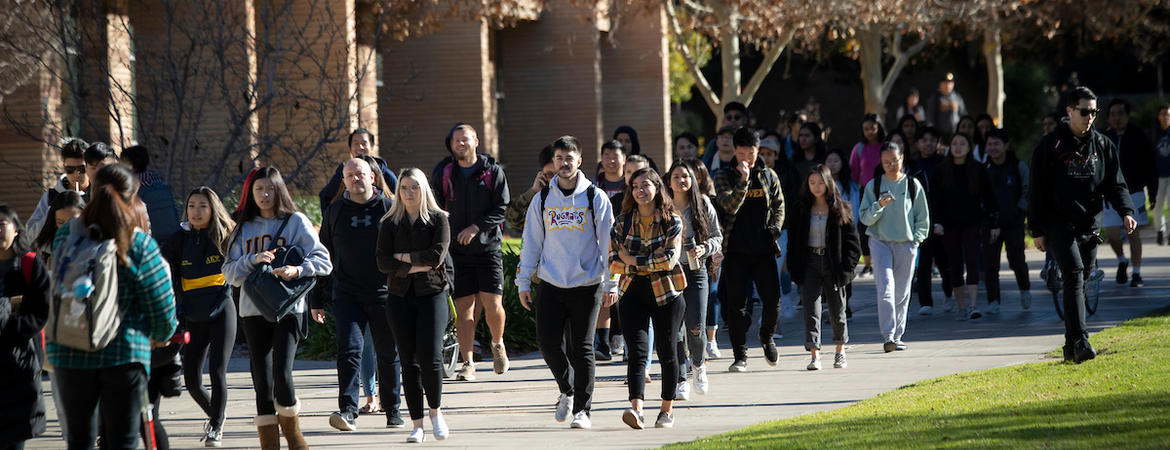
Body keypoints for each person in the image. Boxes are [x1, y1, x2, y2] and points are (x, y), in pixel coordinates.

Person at [47, 164, 177, 449]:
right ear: (132, 199)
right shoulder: (138, 243)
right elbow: (161, 306)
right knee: (123, 440)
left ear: (92, 193)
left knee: (80, 440)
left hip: (70, 349)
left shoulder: (66, 235)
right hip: (124, 353)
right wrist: (159, 335)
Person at [223, 166, 332, 449]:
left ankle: (295, 439)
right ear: (251, 193)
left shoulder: (295, 222)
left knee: (282, 375)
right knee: (262, 382)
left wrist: (297, 270)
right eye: (258, 189)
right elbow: (229, 274)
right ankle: (269, 445)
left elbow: (324, 261)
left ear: (278, 190)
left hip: (289, 310)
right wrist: (252, 260)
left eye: (270, 188)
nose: (264, 194)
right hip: (252, 310)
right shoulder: (242, 228)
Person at [517, 136, 618, 429]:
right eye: (559, 158)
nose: (564, 163)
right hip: (550, 282)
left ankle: (582, 410)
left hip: (587, 284)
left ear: (579, 161)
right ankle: (567, 388)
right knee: (547, 344)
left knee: (582, 348)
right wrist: (524, 281)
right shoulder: (543, 199)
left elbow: (607, 244)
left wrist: (611, 282)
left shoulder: (594, 197)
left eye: (569, 158)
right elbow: (531, 243)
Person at [1029, 86, 1136, 363]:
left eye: (1094, 112)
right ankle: (1081, 341)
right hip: (1058, 223)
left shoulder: (1102, 145)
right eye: (1084, 111)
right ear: (1069, 111)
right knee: (1074, 274)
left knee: (1083, 279)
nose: (1090, 116)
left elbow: (1116, 183)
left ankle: (1069, 346)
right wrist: (1037, 230)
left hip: (1089, 223)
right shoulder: (1050, 145)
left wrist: (1126, 211)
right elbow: (1036, 190)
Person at [310, 158, 405, 431]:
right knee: (349, 351)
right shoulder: (335, 211)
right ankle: (348, 410)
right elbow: (324, 256)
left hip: (385, 293)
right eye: (349, 175)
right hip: (347, 294)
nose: (355, 179)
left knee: (388, 353)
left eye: (360, 174)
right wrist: (317, 299)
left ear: (372, 177)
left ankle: (393, 409)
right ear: (343, 180)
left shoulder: (388, 208)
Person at [377, 168, 453, 443]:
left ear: (424, 190)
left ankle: (436, 413)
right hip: (399, 298)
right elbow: (382, 261)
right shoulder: (389, 222)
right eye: (404, 187)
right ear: (398, 192)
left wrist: (403, 259)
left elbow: (436, 256)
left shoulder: (438, 219)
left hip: (432, 294)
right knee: (408, 363)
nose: (409, 192)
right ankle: (417, 424)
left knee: (431, 359)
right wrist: (414, 265)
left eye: (414, 187)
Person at [431, 123, 511, 381]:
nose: (461, 144)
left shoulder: (492, 172)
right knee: (464, 308)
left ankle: (497, 344)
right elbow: (433, 203)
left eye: (466, 139)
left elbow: (501, 207)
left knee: (492, 304)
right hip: (456, 251)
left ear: (476, 141)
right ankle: (468, 363)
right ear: (451, 144)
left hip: (487, 248)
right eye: (456, 140)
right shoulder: (444, 171)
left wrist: (475, 228)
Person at [610, 167, 687, 429]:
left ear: (657, 187)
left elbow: (670, 260)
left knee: (667, 352)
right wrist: (638, 264)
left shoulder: (671, 220)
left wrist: (631, 260)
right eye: (635, 186)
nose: (640, 191)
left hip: (667, 293)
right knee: (637, 354)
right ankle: (637, 410)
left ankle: (666, 410)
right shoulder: (622, 222)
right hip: (632, 292)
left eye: (646, 185)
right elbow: (613, 263)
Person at [163, 187, 236, 447]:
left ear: (213, 208)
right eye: (192, 205)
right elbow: (168, 278)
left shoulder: (227, 236)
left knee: (217, 371)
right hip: (192, 315)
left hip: (222, 310)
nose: (196, 211)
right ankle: (218, 414)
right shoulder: (178, 240)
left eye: (202, 206)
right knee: (192, 381)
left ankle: (215, 426)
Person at [713, 127, 785, 372]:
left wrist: (773, 229)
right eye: (741, 153)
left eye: (751, 153)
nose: (746, 158)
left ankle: (766, 337)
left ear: (758, 150)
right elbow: (729, 206)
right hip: (735, 250)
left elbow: (779, 206)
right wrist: (743, 180)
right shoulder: (723, 176)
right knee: (736, 306)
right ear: (734, 151)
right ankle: (740, 354)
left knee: (773, 300)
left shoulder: (769, 175)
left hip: (763, 249)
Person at [787, 165, 861, 370]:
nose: (816, 187)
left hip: (833, 264)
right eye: (812, 183)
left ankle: (840, 351)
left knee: (838, 309)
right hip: (809, 261)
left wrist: (847, 269)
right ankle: (814, 354)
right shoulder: (801, 208)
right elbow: (793, 241)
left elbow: (853, 244)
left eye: (820, 182)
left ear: (829, 184)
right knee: (811, 309)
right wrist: (794, 266)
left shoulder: (841, 208)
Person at [860, 142, 930, 352]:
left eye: (894, 160)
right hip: (880, 242)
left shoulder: (912, 185)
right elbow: (865, 219)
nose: (890, 165)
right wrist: (878, 206)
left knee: (902, 292)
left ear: (902, 159)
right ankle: (888, 336)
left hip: (906, 244)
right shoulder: (874, 185)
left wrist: (916, 240)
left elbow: (922, 217)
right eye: (885, 162)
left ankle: (898, 335)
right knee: (885, 290)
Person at [665, 161, 722, 399]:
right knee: (675, 330)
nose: (681, 180)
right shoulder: (663, 207)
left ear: (693, 180)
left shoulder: (703, 204)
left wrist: (704, 248)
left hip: (697, 271)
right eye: (676, 176)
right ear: (669, 181)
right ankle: (680, 379)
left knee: (696, 328)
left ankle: (698, 364)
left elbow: (718, 237)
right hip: (669, 273)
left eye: (685, 176)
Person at [930, 133, 999, 320]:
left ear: (970, 147)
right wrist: (936, 223)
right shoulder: (940, 171)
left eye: (962, 144)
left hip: (973, 223)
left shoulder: (978, 169)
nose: (958, 147)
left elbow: (989, 198)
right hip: (949, 225)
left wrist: (994, 223)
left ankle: (973, 305)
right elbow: (935, 200)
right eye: (954, 143)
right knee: (954, 265)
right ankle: (961, 306)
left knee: (972, 261)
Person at [0, 206, 50, 448]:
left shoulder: (29, 264)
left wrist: (13, 328)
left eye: (2, 224)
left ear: (16, 230)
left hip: (21, 361)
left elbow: (42, 311)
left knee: (15, 435)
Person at [1103, 99, 1157, 287]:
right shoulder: (1103, 137)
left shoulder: (1138, 135)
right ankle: (1121, 260)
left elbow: (1150, 165)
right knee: (1112, 235)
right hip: (1110, 196)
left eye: (1120, 113)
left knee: (1133, 234)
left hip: (1134, 192)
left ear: (1127, 115)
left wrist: (1153, 192)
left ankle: (1136, 273)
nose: (1116, 118)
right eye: (1113, 114)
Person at [982, 128, 1033, 313]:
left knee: (1017, 259)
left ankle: (1025, 290)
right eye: (989, 144)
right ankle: (993, 300)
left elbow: (1027, 190)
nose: (993, 148)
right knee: (990, 263)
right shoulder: (983, 169)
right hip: (990, 224)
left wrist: (1019, 210)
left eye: (996, 144)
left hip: (1014, 222)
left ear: (1006, 145)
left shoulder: (1018, 167)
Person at [906, 126, 953, 314]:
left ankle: (949, 294)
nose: (928, 144)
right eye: (924, 140)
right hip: (921, 221)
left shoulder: (944, 163)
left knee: (945, 262)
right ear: (917, 143)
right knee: (924, 263)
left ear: (938, 143)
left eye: (932, 140)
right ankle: (926, 302)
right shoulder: (914, 166)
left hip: (943, 220)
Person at [319, 128, 399, 212]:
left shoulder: (386, 174)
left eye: (364, 143)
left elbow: (398, 199)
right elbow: (325, 196)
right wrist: (329, 220)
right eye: (356, 144)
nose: (360, 147)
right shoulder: (343, 173)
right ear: (350, 148)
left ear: (372, 146)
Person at [25, 138, 90, 235]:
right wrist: (53, 211)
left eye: (81, 169)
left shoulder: (99, 194)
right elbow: (30, 233)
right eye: (70, 169)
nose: (76, 174)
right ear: (64, 169)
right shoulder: (52, 196)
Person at [850, 114, 886, 276]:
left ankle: (884, 261)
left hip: (885, 190)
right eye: (866, 129)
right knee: (863, 227)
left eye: (873, 128)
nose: (870, 132)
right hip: (865, 191)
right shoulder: (859, 148)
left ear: (879, 127)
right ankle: (868, 263)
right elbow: (854, 172)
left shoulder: (886, 146)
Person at [122, 145, 182, 243]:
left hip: (147, 245)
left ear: (129, 165)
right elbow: (176, 214)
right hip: (172, 243)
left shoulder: (133, 192)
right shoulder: (163, 187)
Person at [505, 145, 556, 233]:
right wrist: (533, 191)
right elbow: (512, 219)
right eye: (550, 174)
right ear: (543, 175)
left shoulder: (582, 196)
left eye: (559, 173)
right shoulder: (540, 199)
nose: (555, 179)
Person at [33, 191, 86, 259]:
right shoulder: (43, 251)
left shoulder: (94, 247)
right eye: (61, 222)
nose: (67, 227)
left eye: (72, 221)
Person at [703, 103, 750, 169]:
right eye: (729, 118)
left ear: (744, 120)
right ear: (723, 120)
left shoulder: (751, 141)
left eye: (737, 117)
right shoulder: (714, 143)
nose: (733, 120)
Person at [928, 72, 968, 137]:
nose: (948, 85)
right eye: (945, 83)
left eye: (950, 83)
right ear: (940, 84)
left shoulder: (957, 97)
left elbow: (964, 114)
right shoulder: (935, 98)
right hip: (940, 134)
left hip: (955, 133)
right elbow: (930, 118)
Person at [1153, 104, 1170, 245]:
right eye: (1163, 114)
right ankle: (1160, 229)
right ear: (1158, 117)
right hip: (1158, 176)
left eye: (1168, 114)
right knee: (1158, 206)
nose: (1165, 117)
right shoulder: (1154, 133)